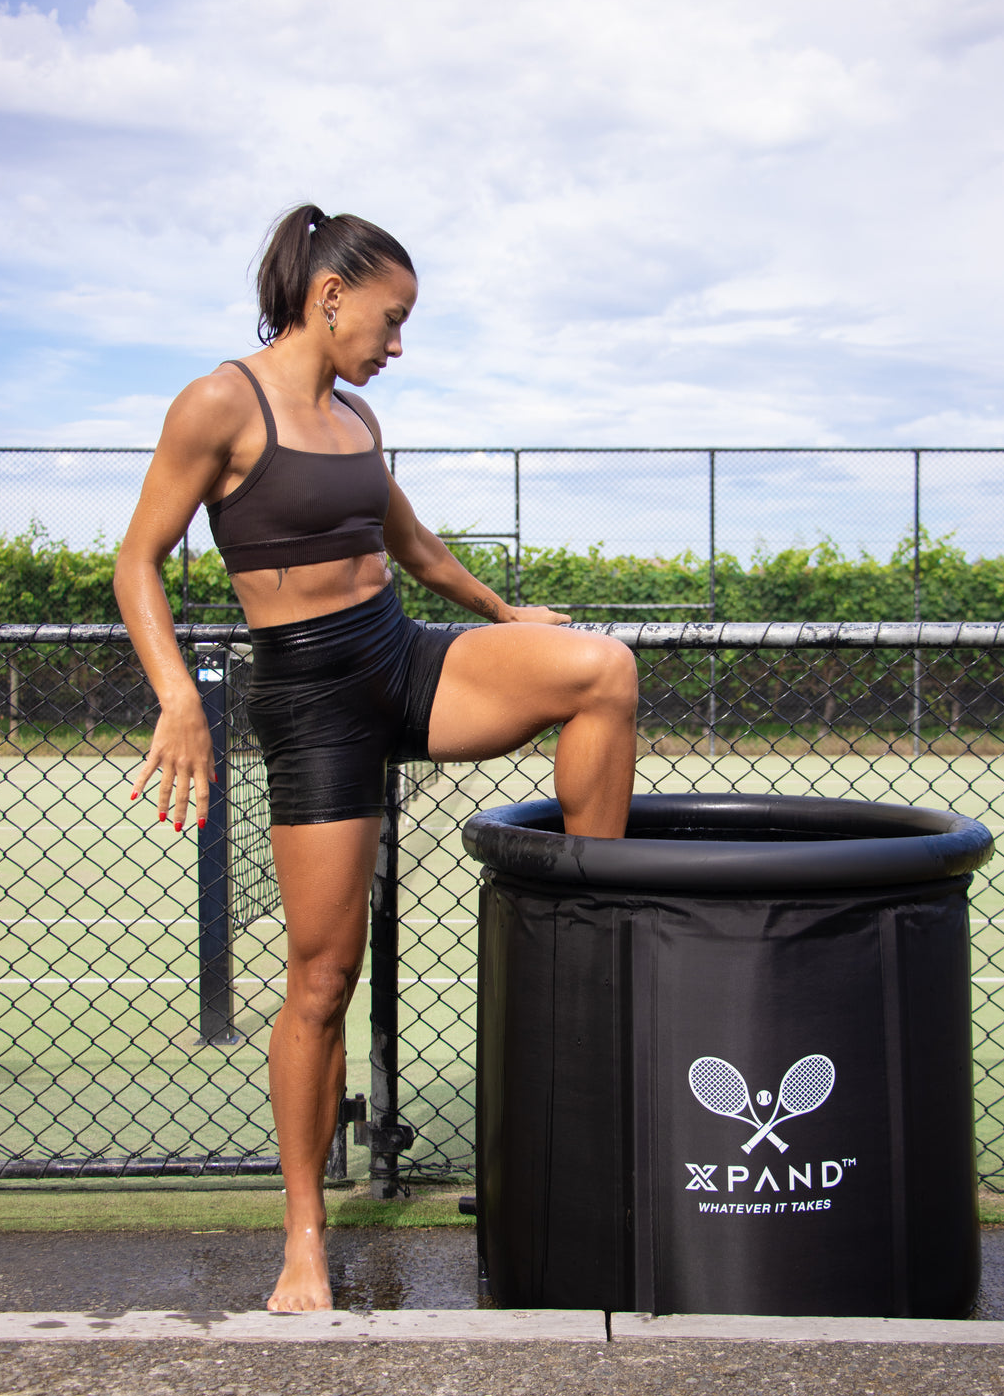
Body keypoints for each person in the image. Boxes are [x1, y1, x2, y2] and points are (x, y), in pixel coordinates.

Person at [114, 204, 638, 1311]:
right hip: (311, 706)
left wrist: (507, 613)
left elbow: (415, 545)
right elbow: (138, 561)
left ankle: (599, 931)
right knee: (320, 978)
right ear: (330, 294)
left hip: (402, 657)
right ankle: (304, 1239)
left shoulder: (356, 418)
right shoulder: (221, 402)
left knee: (600, 670)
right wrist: (178, 698)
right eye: (391, 321)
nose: (396, 347)